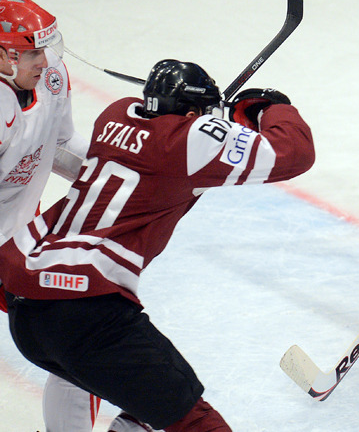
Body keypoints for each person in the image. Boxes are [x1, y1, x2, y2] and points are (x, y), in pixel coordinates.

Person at [0, 58, 315, 430]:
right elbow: (295, 151)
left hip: (28, 307)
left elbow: (168, 156)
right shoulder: (189, 142)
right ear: (196, 114)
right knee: (197, 422)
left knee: (133, 399)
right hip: (87, 311)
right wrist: (270, 108)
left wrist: (222, 132)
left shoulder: (114, 115)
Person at [0, 0, 115, 431]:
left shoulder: (49, 78)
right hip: (8, 250)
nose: (45, 60)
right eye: (31, 51)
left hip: (18, 239)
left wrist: (127, 173)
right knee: (82, 340)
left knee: (82, 343)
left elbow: (59, 145)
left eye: (47, 47)